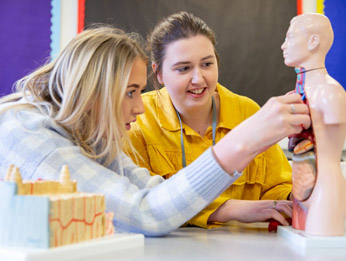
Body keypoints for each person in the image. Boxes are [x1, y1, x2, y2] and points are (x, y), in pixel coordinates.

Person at [0, 25, 310, 237]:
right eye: (131, 92)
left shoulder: (87, 131)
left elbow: (152, 192)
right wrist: (242, 142)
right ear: (94, 90)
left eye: (207, 64)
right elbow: (146, 212)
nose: (140, 107)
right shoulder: (29, 135)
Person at [126, 12, 299, 228]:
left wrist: (300, 193)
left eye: (207, 64)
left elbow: (277, 187)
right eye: (184, 68)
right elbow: (146, 201)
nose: (199, 79)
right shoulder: (138, 119)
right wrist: (231, 209)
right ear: (158, 73)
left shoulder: (246, 112)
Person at [281, 13, 346, 236]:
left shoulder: (330, 93)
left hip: (325, 191)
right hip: (299, 190)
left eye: (290, 38)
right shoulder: (295, 93)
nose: (283, 46)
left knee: (321, 248)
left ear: (313, 41)